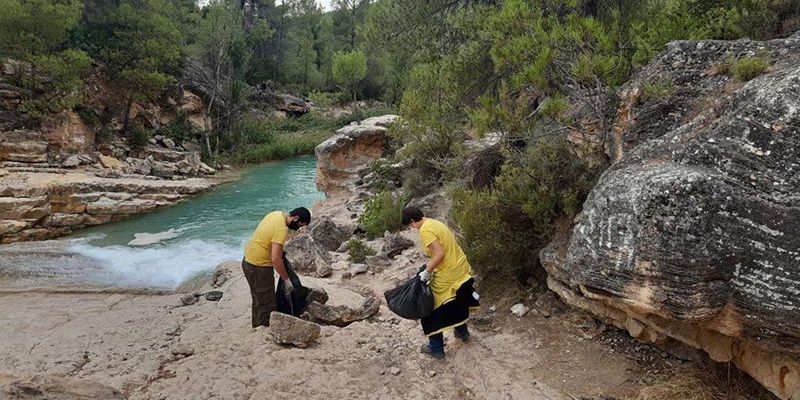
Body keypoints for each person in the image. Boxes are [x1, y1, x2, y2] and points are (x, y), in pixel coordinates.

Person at [402, 206, 479, 359]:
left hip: (448, 273)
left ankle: (436, 348)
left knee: (431, 310)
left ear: (412, 221)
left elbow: (440, 254)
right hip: (460, 269)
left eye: (410, 226)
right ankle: (462, 332)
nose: (412, 228)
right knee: (455, 301)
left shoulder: (425, 230)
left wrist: (427, 272)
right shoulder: (434, 222)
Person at [242, 207, 311, 328]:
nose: (298, 228)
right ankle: (263, 330)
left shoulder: (276, 214)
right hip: (259, 267)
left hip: (248, 261)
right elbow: (276, 260)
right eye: (300, 225)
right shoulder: (281, 230)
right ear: (296, 218)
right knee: (267, 303)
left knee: (258, 299)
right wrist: (287, 280)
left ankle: (256, 327)